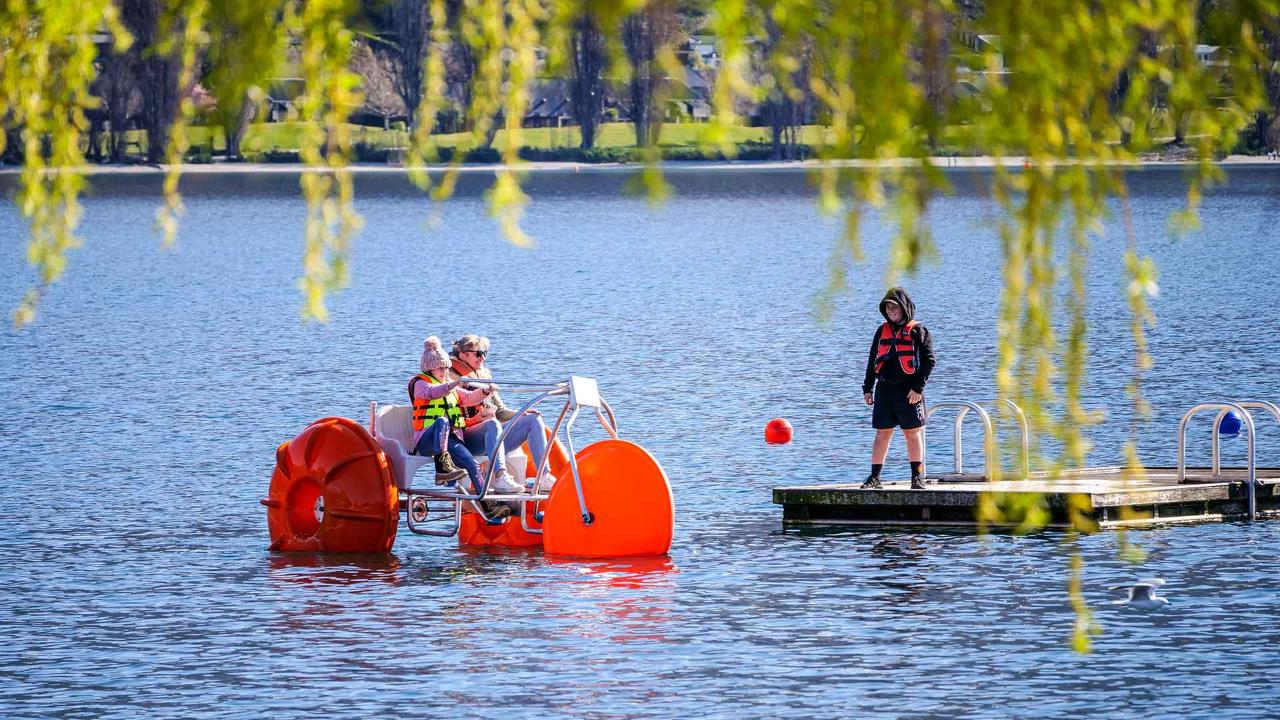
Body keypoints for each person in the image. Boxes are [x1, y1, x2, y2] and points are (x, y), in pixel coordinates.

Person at [449, 334, 558, 493]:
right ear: (462, 355)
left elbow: (500, 411)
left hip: (491, 438)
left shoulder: (484, 376)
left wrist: (521, 413)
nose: (482, 358)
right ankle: (501, 476)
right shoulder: (449, 377)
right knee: (491, 424)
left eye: (484, 353)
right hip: (466, 440)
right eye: (478, 354)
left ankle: (544, 476)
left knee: (533, 419)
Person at [410, 337, 509, 508]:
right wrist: (454, 383)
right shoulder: (420, 384)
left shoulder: (450, 386)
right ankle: (442, 467)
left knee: (473, 465)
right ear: (430, 368)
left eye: (447, 367)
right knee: (442, 421)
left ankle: (489, 506)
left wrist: (485, 391)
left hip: (450, 440)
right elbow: (433, 392)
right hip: (427, 441)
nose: (445, 371)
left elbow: (470, 398)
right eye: (441, 368)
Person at [859, 287, 936, 490]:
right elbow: (872, 360)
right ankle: (875, 478)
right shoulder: (881, 331)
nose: (892, 310)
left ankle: (917, 477)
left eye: (895, 307)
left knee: (912, 432)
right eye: (888, 307)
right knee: (882, 433)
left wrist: (917, 389)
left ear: (905, 308)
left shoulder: (919, 331)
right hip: (884, 389)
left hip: (909, 391)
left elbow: (929, 362)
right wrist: (868, 388)